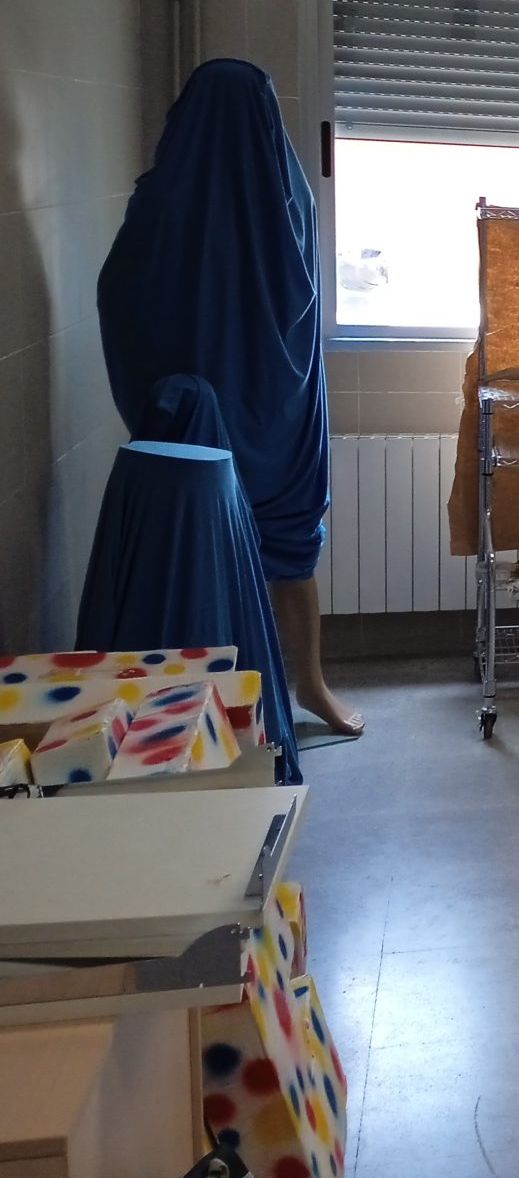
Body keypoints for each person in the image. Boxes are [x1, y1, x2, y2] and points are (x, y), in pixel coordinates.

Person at [98, 58, 361, 735]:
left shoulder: (163, 196)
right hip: (279, 407)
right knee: (291, 548)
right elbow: (301, 301)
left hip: (194, 418)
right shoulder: (287, 192)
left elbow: (117, 293)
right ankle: (305, 687)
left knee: (202, 552)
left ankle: (218, 704)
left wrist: (162, 385)